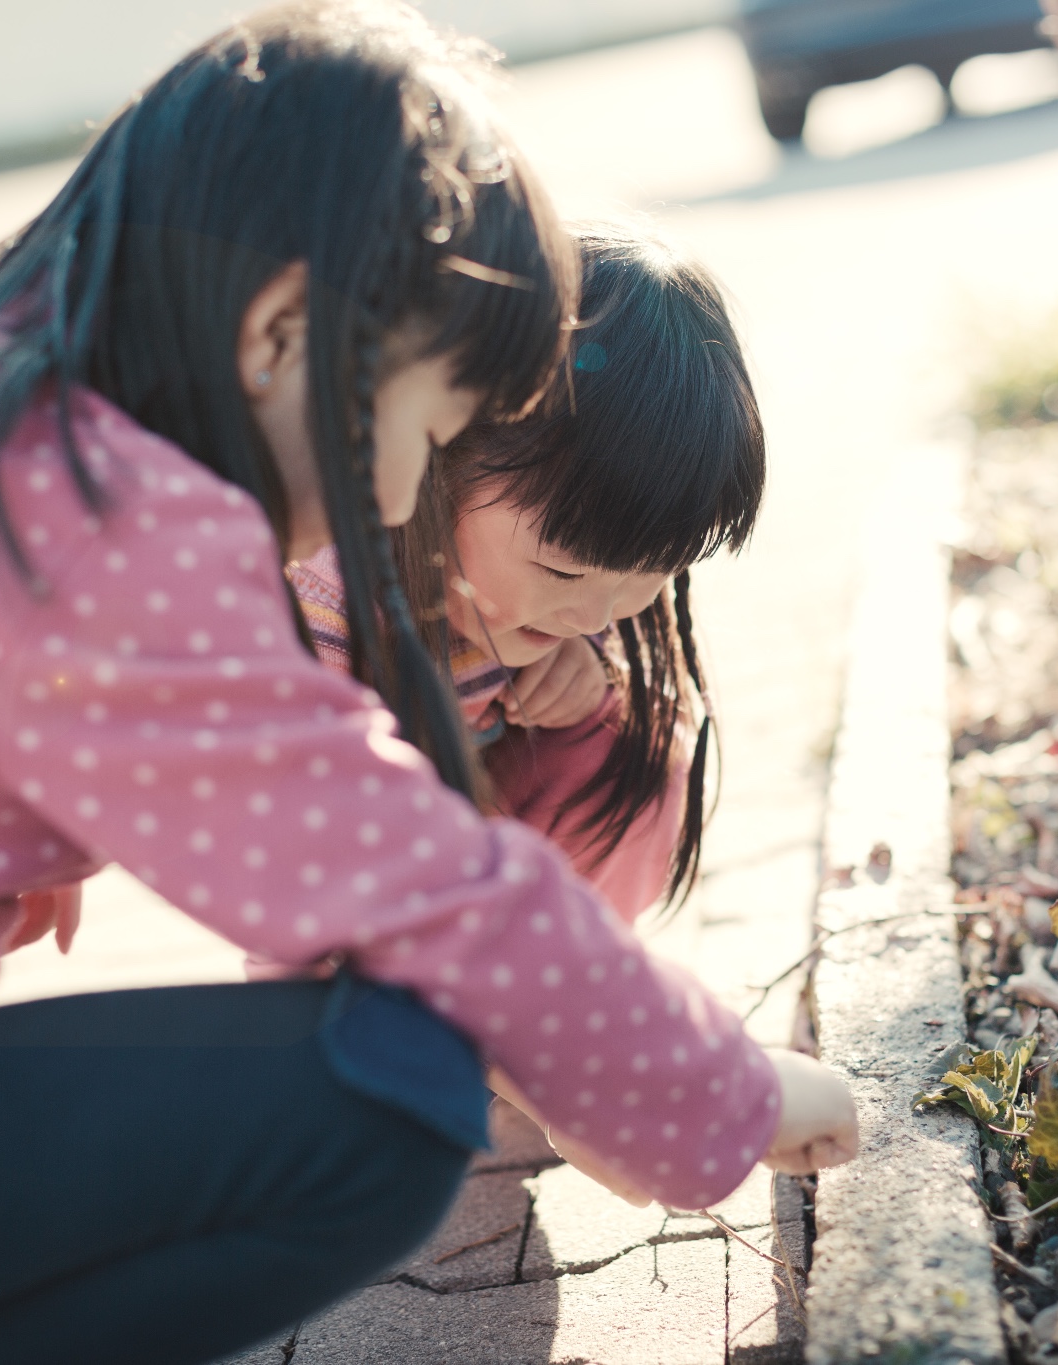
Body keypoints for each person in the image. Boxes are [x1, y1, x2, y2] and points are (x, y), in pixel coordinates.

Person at [0, 6, 858, 1364]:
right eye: (417, 432)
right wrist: (717, 1090)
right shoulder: (97, 521)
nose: (401, 494)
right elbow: (423, 885)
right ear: (285, 337)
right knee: (383, 1097)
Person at [285, 222, 765, 925]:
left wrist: (591, 690)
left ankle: (564, 994)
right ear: (440, 463)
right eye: (563, 573)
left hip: (479, 882)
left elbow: (598, 618)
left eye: (655, 571)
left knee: (637, 758)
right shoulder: (329, 604)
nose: (600, 617)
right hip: (343, 909)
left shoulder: (559, 616)